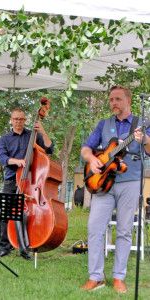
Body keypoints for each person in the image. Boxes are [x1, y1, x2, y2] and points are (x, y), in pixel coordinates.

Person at [80, 85, 150, 293]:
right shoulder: (104, 124)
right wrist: (92, 159)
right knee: (94, 228)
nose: (113, 103)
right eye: (111, 99)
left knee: (125, 230)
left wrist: (144, 140)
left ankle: (119, 277)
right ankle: (96, 277)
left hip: (130, 181)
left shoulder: (140, 124)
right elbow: (86, 148)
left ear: (128, 101)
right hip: (102, 184)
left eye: (118, 99)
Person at [0, 107, 54, 258]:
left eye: (21, 119)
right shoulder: (5, 139)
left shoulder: (33, 136)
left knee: (29, 214)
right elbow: (2, 157)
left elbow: (50, 149)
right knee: (7, 214)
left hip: (33, 182)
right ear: (11, 120)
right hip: (12, 180)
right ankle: (5, 246)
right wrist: (18, 162)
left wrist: (42, 131)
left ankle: (27, 244)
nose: (18, 122)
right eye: (16, 119)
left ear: (25, 120)